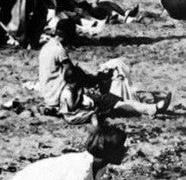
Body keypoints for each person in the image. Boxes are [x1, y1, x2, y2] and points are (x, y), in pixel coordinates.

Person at [40, 17, 171, 123]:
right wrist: (93, 79)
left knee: (108, 99)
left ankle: (146, 107)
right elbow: (70, 74)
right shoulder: (59, 50)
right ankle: (151, 109)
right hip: (61, 98)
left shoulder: (47, 47)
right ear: (67, 35)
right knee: (110, 101)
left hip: (50, 96)